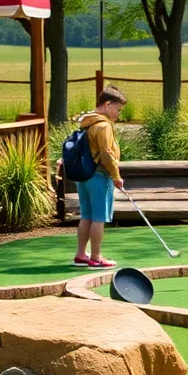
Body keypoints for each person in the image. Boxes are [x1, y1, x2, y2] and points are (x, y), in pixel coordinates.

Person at [73, 84, 126, 268]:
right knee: (99, 217)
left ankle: (81, 254)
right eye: (117, 109)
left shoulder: (86, 121)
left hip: (84, 176)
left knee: (86, 215)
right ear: (107, 104)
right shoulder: (103, 126)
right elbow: (106, 153)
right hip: (100, 176)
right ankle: (96, 257)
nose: (118, 114)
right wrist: (116, 176)